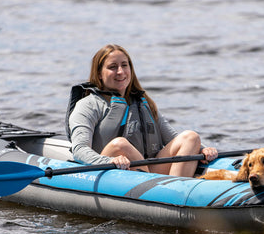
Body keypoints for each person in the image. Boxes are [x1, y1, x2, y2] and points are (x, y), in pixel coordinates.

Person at [66, 44, 218, 176]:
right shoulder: (87, 105)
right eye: (113, 67)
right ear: (99, 73)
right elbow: (79, 149)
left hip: (147, 170)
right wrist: (110, 160)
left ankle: (178, 189)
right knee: (120, 144)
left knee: (191, 137)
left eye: (124, 65)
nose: (120, 71)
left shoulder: (143, 102)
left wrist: (203, 149)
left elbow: (172, 138)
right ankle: (160, 193)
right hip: (108, 170)